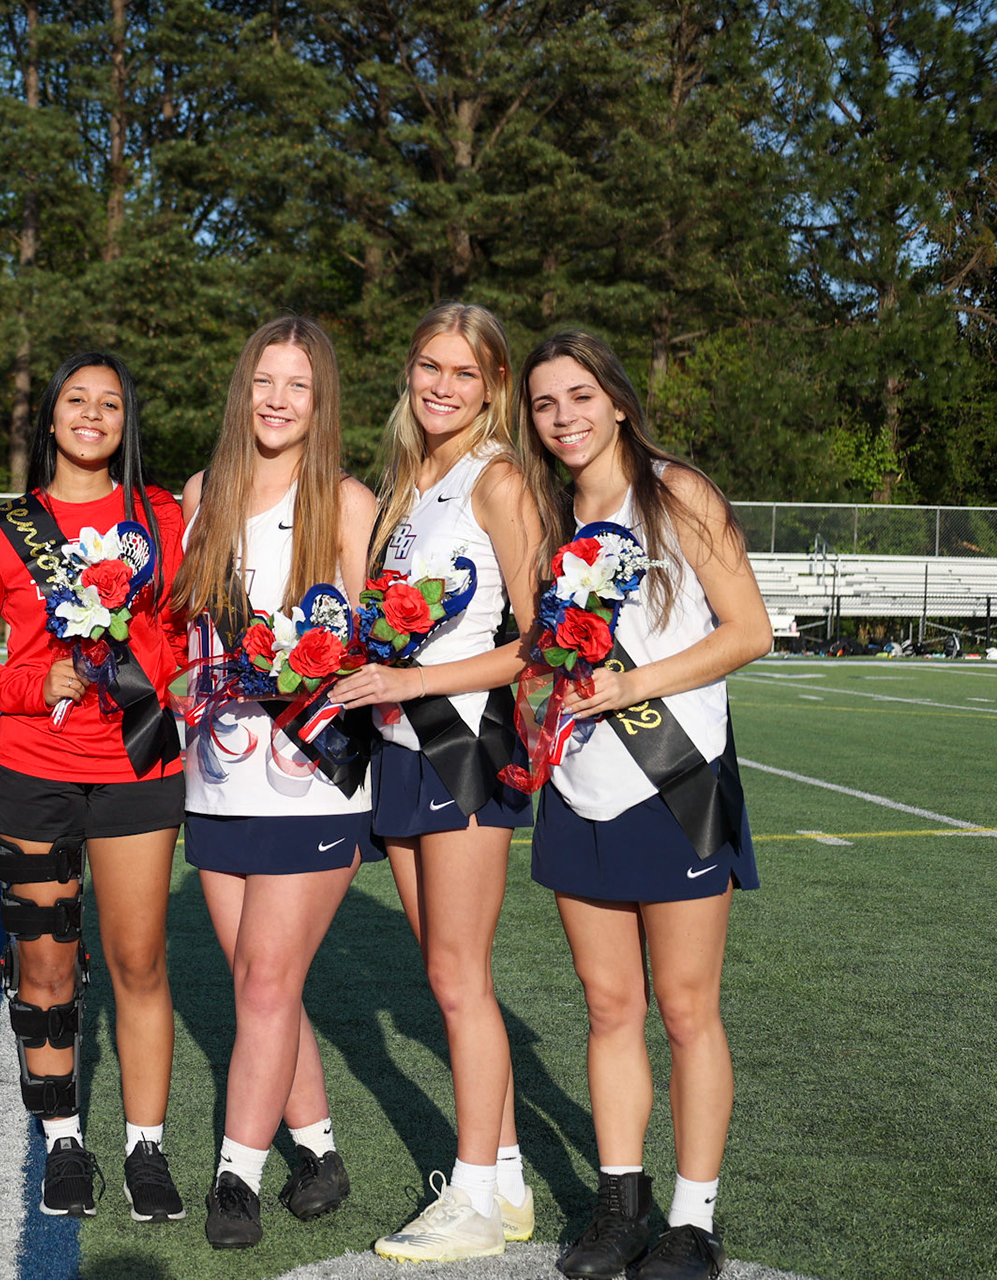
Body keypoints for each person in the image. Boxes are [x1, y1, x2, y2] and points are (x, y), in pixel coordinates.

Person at [517, 331, 768, 1280]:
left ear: (617, 400)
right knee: (609, 1005)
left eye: (580, 396)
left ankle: (693, 1221)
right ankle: (619, 1206)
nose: (565, 417)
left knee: (687, 1010)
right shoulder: (546, 517)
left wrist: (636, 685)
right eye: (545, 404)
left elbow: (751, 632)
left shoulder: (678, 493)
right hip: (580, 789)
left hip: (678, 780)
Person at [0, 351, 187, 1221]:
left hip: (138, 761)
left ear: (127, 421)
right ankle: (63, 1141)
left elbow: (190, 623)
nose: (92, 415)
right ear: (49, 419)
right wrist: (33, 684)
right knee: (44, 966)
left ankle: (146, 1148)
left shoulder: (163, 517)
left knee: (138, 961)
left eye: (111, 403)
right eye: (76, 401)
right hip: (33, 772)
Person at [332, 302, 545, 1262]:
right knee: (443, 971)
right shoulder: (410, 480)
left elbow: (541, 645)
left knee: (462, 979)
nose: (442, 386)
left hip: (460, 743)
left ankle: (468, 1198)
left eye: (464, 373)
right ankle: (501, 1180)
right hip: (399, 744)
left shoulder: (498, 480)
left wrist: (412, 680)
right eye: (429, 367)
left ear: (493, 386)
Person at [170, 315, 380, 1249]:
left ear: (320, 399)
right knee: (268, 985)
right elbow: (186, 635)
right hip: (217, 779)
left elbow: (373, 642)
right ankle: (321, 1150)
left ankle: (235, 1178)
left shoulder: (347, 501)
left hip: (313, 775)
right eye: (263, 380)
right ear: (242, 388)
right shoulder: (202, 494)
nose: (278, 400)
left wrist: (303, 663)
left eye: (297, 385)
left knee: (261, 981)